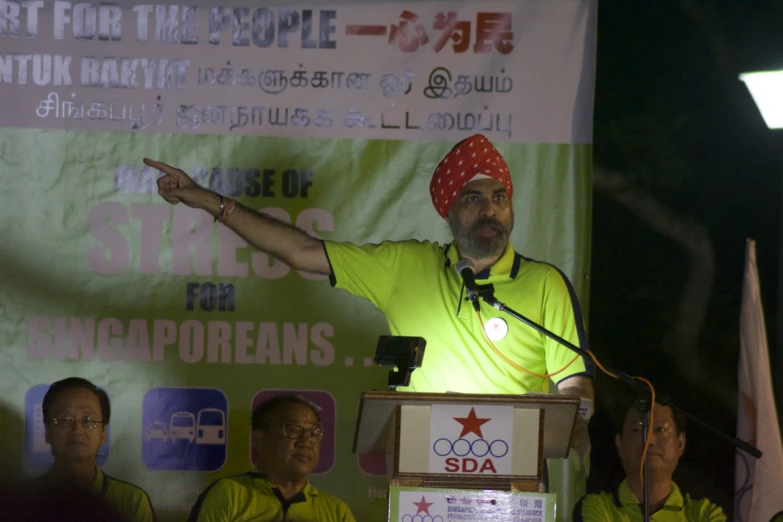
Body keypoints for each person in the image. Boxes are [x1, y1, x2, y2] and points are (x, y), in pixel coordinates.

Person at [145, 133, 595, 439]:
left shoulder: (544, 284)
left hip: (512, 484)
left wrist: (573, 417)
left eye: (499, 197)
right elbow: (302, 252)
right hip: (426, 479)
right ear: (448, 211)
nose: (490, 209)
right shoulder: (407, 265)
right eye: (473, 197)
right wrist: (208, 200)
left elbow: (574, 385)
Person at [0, 377, 156, 522]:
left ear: (103, 433)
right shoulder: (20, 501)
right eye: (64, 419)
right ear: (47, 432)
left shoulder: (132, 501)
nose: (77, 429)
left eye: (87, 420)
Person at [187, 395, 355, 521]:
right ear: (260, 440)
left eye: (313, 433)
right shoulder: (229, 494)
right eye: (293, 430)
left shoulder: (336, 512)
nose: (306, 442)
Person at [572, 398, 727, 521]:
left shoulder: (705, 514)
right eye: (637, 430)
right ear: (620, 444)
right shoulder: (596, 507)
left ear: (680, 443)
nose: (649, 440)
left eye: (660, 430)